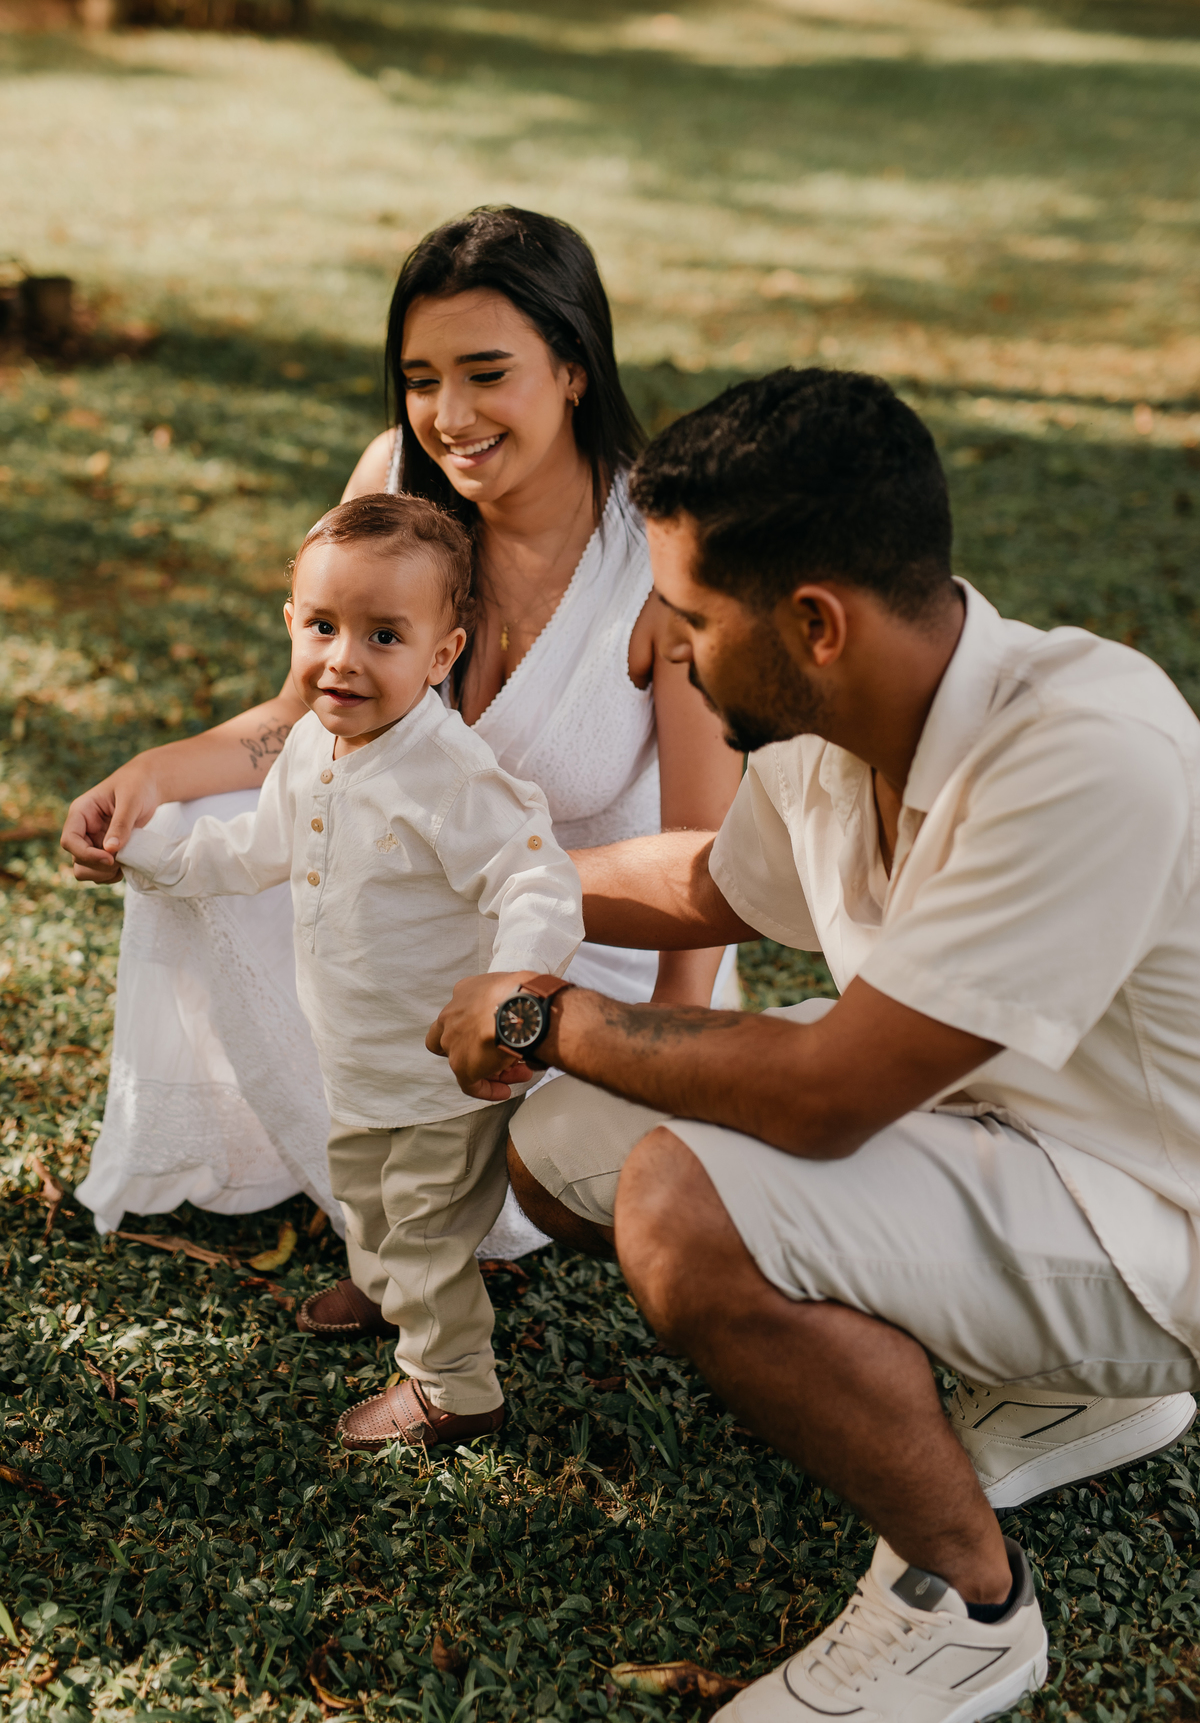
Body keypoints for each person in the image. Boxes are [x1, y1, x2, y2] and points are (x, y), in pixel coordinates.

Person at [429, 367, 1200, 1723]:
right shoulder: (827, 713)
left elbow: (827, 1096)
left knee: (679, 1206)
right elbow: (715, 885)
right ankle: (1062, 1389)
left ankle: (967, 1607)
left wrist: (549, 1015)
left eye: (688, 618)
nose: (666, 649)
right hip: (987, 1125)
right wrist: (496, 881)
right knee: (559, 1144)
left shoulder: (1089, 751)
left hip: (1153, 1215)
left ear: (815, 623)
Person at [60, 205, 741, 1262]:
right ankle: (339, 1171)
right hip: (401, 907)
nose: (449, 416)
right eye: (422, 380)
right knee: (190, 826)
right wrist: (151, 774)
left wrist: (667, 1056)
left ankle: (446, 1197)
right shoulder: (392, 479)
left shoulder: (666, 555)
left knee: (521, 1177)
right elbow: (302, 717)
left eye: (486, 373)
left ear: (573, 369)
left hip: (573, 942)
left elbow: (706, 860)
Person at [112, 493, 583, 1449]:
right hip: (357, 1057)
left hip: (443, 1075)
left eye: (384, 636)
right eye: (323, 626)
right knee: (363, 1195)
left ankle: (455, 1389)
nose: (343, 659)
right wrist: (150, 854)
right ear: (291, 622)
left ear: (442, 654)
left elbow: (536, 878)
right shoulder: (313, 747)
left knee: (423, 1230)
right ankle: (380, 1286)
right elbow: (255, 848)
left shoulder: (449, 774)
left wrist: (512, 989)